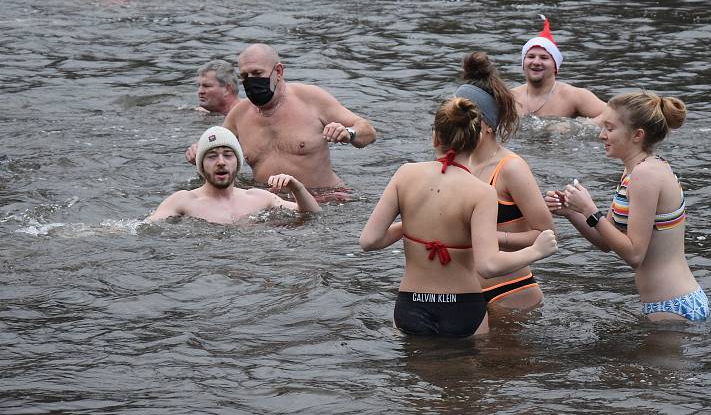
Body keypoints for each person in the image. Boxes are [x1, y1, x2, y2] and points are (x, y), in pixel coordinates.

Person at [359, 97, 557, 337]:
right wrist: (536, 251)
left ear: (435, 137)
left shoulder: (404, 174)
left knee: (413, 370)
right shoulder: (482, 192)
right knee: (465, 372)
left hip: (411, 304)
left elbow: (369, 241)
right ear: (475, 141)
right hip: (463, 307)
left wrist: (415, 224)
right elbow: (488, 266)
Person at [544, 91, 709, 322]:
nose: (602, 136)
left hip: (673, 307)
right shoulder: (634, 170)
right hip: (666, 304)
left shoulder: (646, 175)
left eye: (610, 129)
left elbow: (634, 254)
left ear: (637, 135)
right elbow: (606, 241)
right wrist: (573, 211)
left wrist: (591, 210)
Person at [185, 43, 376, 189]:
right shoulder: (239, 115)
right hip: (270, 205)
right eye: (245, 76)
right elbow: (214, 152)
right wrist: (198, 153)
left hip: (324, 198)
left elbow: (368, 131)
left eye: (257, 73)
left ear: (278, 71)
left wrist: (348, 133)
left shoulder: (311, 98)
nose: (251, 81)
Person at [455, 51, 555, 309]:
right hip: (463, 291)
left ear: (487, 124)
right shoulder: (456, 160)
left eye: (464, 115)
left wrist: (492, 237)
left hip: (510, 292)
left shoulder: (511, 168)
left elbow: (546, 234)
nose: (454, 122)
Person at [149, 126, 319, 223]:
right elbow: (143, 229)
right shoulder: (183, 201)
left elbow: (312, 214)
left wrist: (297, 188)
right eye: (212, 156)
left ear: (237, 162)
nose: (221, 162)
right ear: (200, 165)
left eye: (228, 155)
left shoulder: (259, 197)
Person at [511, 15, 605, 120]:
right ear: (523, 64)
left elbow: (614, 114)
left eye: (544, 58)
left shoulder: (575, 96)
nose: (536, 62)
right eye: (531, 56)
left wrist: (577, 127)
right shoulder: (510, 98)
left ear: (555, 67)